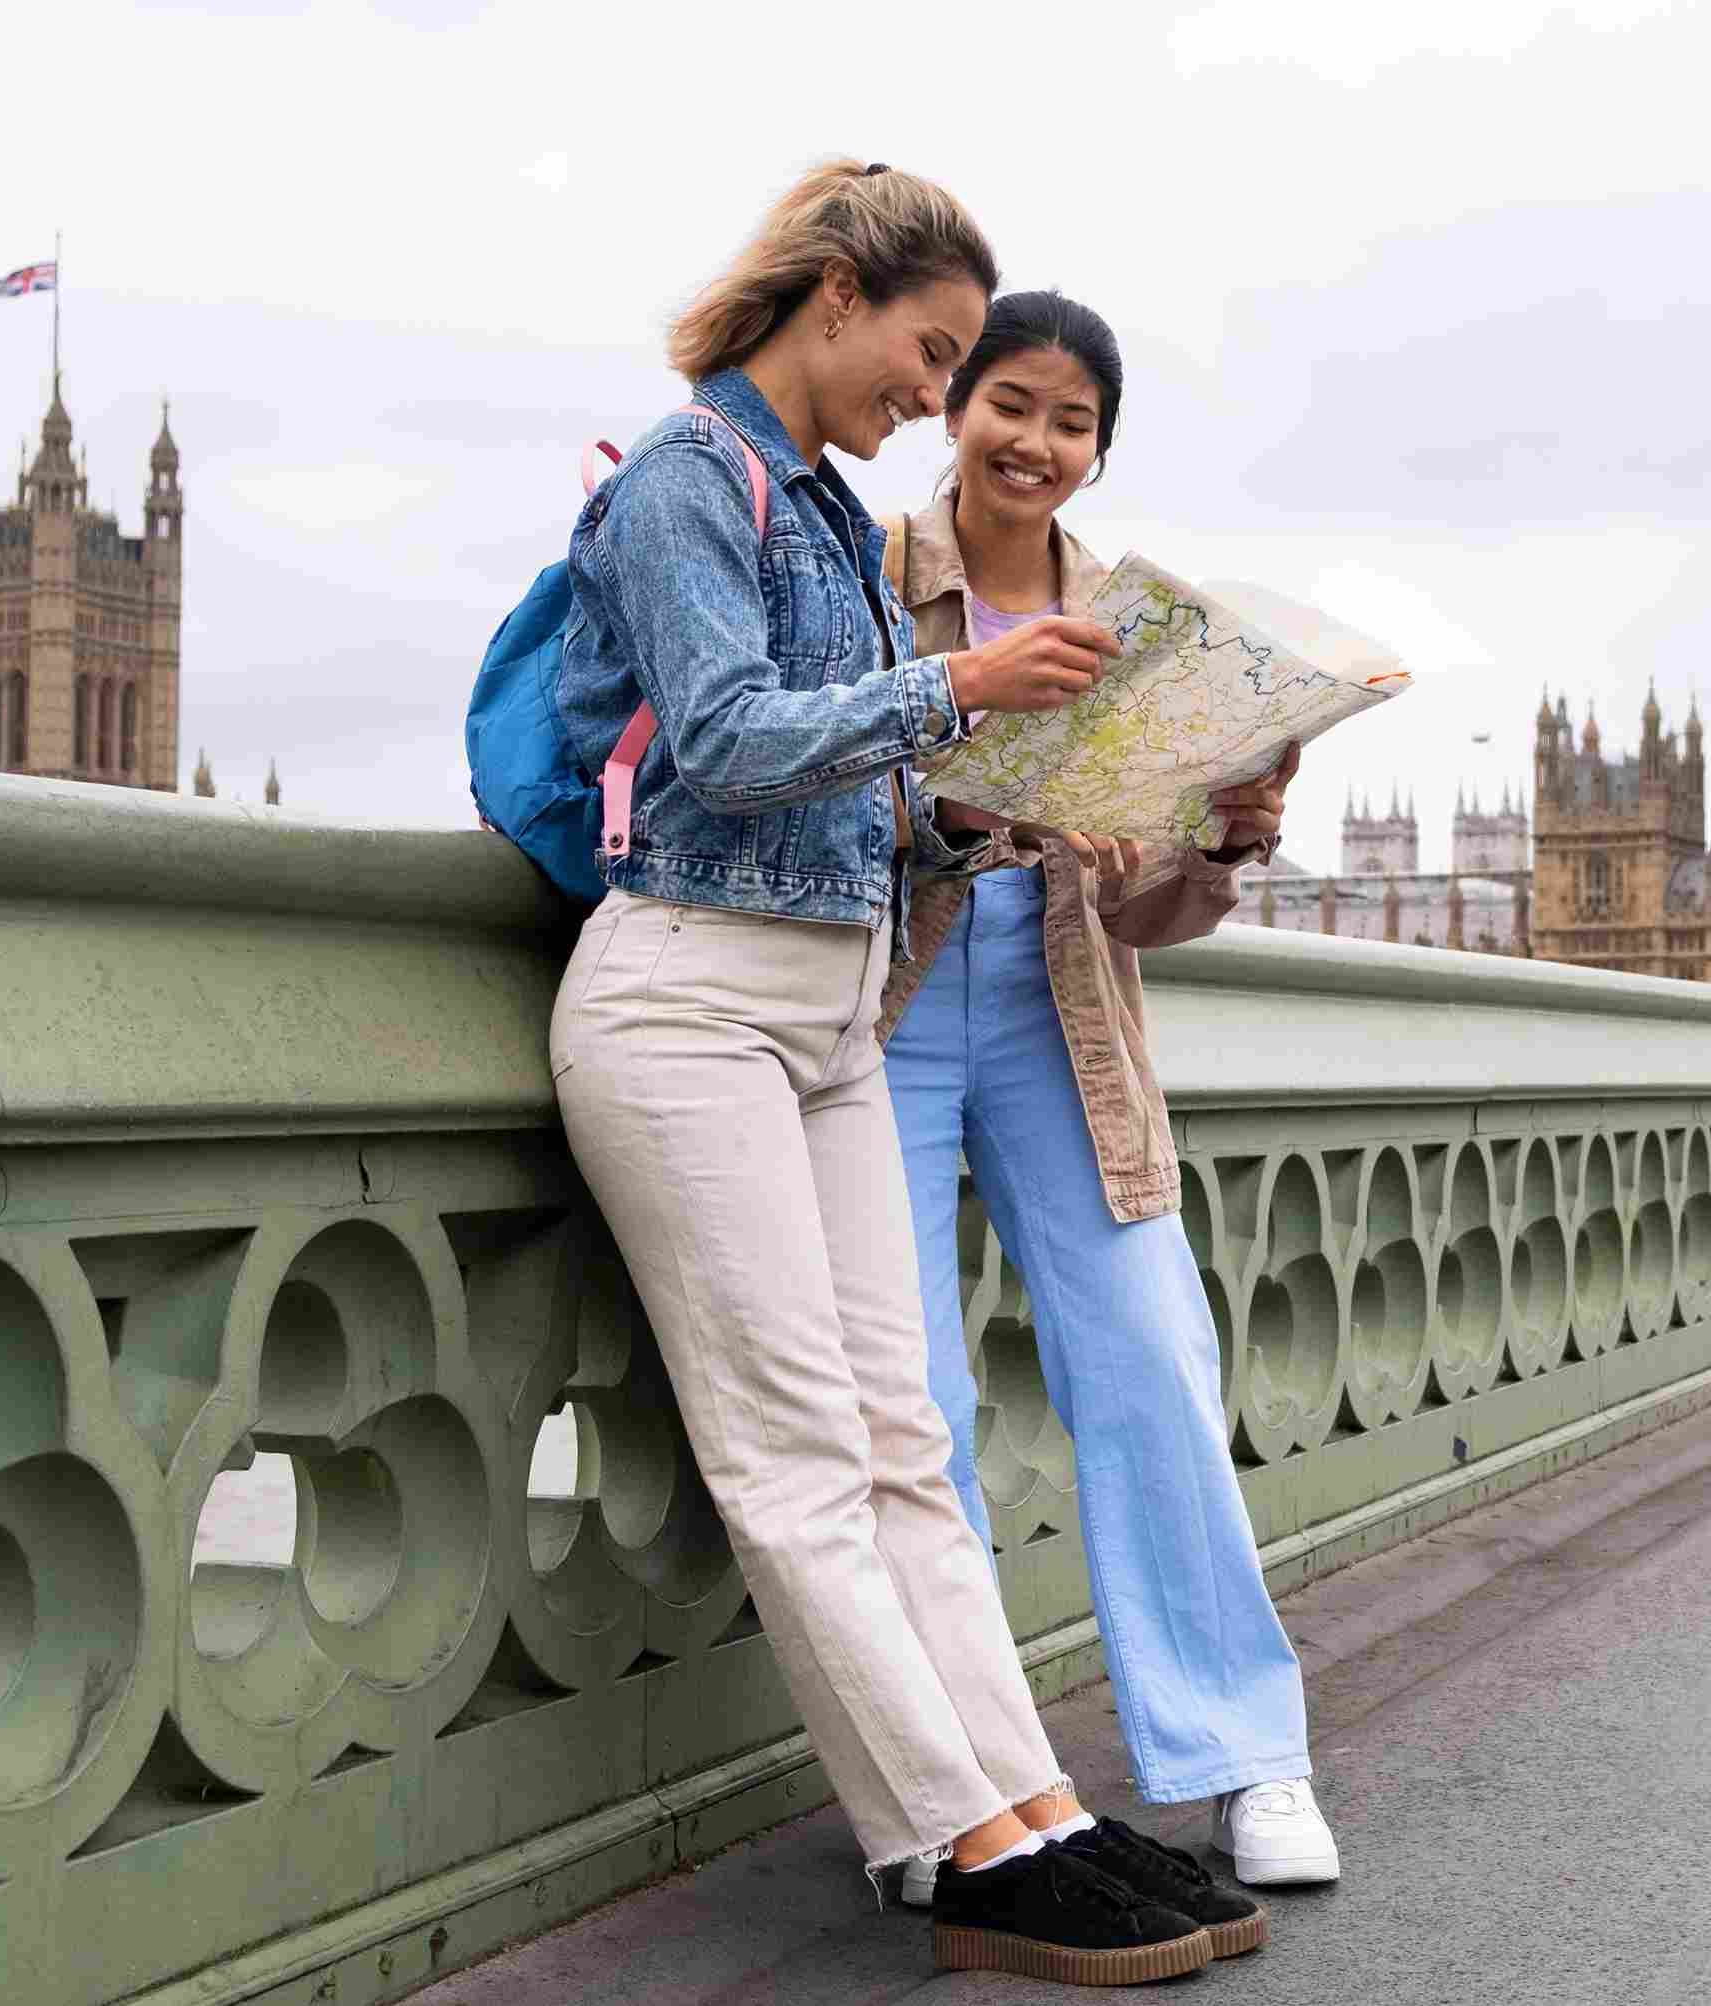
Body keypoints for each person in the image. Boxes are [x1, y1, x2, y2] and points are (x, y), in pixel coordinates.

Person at [548, 162, 1233, 1987]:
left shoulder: (835, 522)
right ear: (831, 292)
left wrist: (1005, 812)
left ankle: (1036, 1807)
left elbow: (853, 792)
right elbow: (722, 737)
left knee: (903, 1444)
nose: (930, 401)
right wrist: (967, 689)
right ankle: (955, 1842)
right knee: (795, 1460)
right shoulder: (684, 476)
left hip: (833, 1011)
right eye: (929, 360)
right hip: (686, 1002)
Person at [878, 291, 1341, 1908]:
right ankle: (955, 1802)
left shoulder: (1148, 631)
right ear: (955, 405)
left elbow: (1145, 923)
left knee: (1150, 1362)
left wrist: (1210, 842)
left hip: (1067, 1019)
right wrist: (953, 787)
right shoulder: (870, 579)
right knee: (908, 1414)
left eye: (1072, 422)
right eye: (1012, 402)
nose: (1036, 441)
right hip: (886, 1009)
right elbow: (802, 800)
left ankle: (1241, 1756)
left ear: (1098, 449)